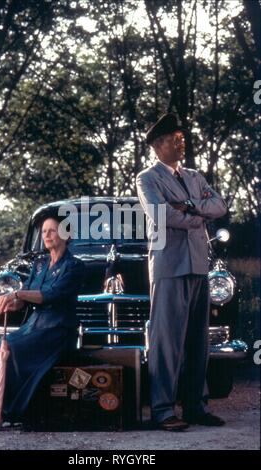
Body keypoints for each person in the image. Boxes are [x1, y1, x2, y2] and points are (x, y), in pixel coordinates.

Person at [136, 113, 227, 431]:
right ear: (159, 145)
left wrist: (189, 207)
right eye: (175, 139)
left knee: (197, 341)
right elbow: (162, 216)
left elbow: (220, 206)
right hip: (169, 265)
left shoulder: (194, 176)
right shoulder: (147, 178)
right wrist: (199, 215)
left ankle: (196, 406)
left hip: (198, 263)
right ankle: (163, 410)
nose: (181, 142)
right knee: (166, 341)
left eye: (181, 137)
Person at [0, 216, 85, 432]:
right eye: (44, 232)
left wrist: (17, 293)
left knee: (10, 350)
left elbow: (52, 294)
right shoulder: (39, 265)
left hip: (57, 329)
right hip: (35, 325)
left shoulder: (74, 266)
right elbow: (26, 298)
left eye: (52, 231)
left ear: (66, 235)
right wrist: (14, 303)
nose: (47, 236)